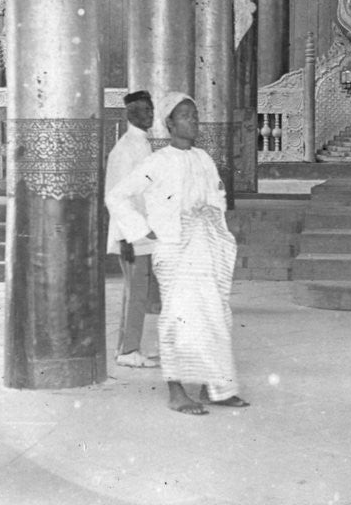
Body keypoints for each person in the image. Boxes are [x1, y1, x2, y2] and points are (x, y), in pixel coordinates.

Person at [106, 91, 248, 415]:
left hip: (206, 246)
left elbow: (217, 197)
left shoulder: (204, 159)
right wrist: (143, 232)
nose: (193, 121)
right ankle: (177, 391)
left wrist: (213, 219)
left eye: (195, 115)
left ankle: (218, 388)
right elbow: (118, 196)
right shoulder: (157, 161)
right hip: (173, 249)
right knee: (178, 318)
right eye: (185, 116)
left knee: (216, 316)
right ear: (169, 123)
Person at [104, 89, 159, 368]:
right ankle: (128, 352)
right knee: (136, 293)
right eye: (145, 111)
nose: (151, 115)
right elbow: (114, 195)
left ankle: (126, 349)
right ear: (131, 114)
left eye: (151, 110)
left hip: (142, 232)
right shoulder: (124, 148)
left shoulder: (142, 144)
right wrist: (127, 237)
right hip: (132, 234)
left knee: (136, 292)